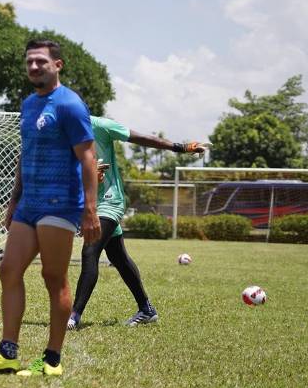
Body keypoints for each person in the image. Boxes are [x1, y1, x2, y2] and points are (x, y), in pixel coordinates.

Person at [0, 39, 101, 377]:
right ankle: (7, 351)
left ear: (58, 65)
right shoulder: (28, 104)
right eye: (29, 62)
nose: (34, 67)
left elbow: (87, 157)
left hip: (61, 202)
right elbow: (25, 154)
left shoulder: (70, 104)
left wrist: (91, 210)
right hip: (30, 203)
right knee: (8, 270)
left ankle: (51, 360)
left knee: (53, 278)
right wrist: (13, 200)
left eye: (41, 61)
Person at [68, 119, 205, 329]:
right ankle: (147, 310)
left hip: (110, 200)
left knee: (90, 251)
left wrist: (180, 147)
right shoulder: (63, 134)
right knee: (118, 257)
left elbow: (141, 138)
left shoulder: (100, 125)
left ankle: (74, 316)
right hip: (90, 203)